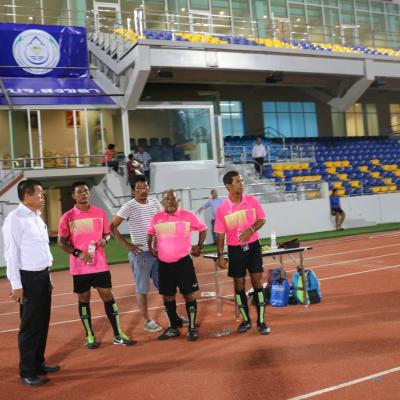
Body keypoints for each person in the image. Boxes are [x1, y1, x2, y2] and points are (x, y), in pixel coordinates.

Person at [58, 181, 135, 349]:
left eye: (86, 191)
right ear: (73, 195)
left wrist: (105, 240)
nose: (83, 194)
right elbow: (61, 242)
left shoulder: (100, 213)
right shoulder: (68, 217)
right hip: (80, 267)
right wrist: (79, 254)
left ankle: (118, 334)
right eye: (79, 192)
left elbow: (107, 234)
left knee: (108, 295)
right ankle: (90, 335)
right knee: (83, 299)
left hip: (100, 265)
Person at [3, 179, 59, 387]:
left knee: (42, 322)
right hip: (28, 279)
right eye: (40, 193)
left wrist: (48, 277)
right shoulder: (15, 219)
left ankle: (38, 362)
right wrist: (16, 285)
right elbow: (11, 254)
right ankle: (27, 371)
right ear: (27, 196)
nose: (43, 197)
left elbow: (41, 249)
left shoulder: (36, 216)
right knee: (30, 326)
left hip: (42, 276)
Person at [214, 171, 270, 335]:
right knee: (239, 285)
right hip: (235, 249)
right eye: (237, 181)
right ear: (228, 186)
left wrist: (250, 230)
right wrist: (220, 255)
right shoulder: (223, 208)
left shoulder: (251, 201)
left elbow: (262, 218)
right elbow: (220, 234)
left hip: (253, 247)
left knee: (257, 282)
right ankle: (246, 321)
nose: (242, 184)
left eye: (242, 181)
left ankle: (261, 322)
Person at [147, 189, 207, 341]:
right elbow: (150, 233)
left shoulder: (188, 216)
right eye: (167, 199)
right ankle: (173, 327)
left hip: (183, 262)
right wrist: (150, 247)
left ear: (178, 201)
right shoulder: (157, 218)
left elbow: (203, 228)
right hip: (164, 264)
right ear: (162, 203)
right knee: (168, 296)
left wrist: (200, 246)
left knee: (188, 294)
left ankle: (192, 328)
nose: (170, 202)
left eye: (173, 199)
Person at [110, 175, 165, 333]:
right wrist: (127, 245)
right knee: (142, 289)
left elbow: (162, 223)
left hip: (158, 253)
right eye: (139, 188)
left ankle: (173, 314)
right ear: (133, 191)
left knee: (165, 286)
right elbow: (112, 226)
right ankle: (147, 320)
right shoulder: (129, 206)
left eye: (145, 187)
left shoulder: (155, 203)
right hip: (141, 254)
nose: (143, 190)